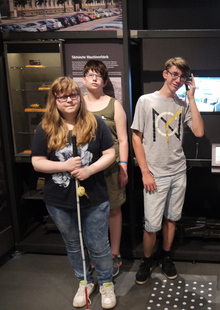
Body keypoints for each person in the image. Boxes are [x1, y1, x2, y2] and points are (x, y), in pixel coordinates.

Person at [31, 77, 117, 309]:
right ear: (55, 100)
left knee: (98, 244)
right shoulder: (45, 128)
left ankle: (106, 283)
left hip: (95, 197)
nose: (69, 100)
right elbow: (37, 162)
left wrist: (89, 170)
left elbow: (110, 153)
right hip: (59, 201)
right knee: (73, 244)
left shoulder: (96, 122)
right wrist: (64, 166)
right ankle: (85, 281)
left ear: (79, 97)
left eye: (73, 95)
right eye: (62, 96)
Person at [131, 57, 204, 285]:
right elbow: (136, 137)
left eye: (182, 77)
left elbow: (199, 132)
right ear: (165, 74)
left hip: (178, 172)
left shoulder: (182, 104)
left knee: (171, 220)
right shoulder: (146, 101)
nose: (178, 80)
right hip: (155, 174)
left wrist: (191, 97)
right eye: (174, 74)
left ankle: (166, 258)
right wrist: (145, 172)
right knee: (151, 225)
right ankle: (147, 261)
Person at [82, 60, 129, 277]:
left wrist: (124, 166)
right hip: (86, 167)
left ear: (104, 81)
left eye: (98, 75)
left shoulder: (114, 105)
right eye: (90, 74)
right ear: (83, 79)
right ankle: (94, 254)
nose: (93, 78)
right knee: (90, 212)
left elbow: (123, 139)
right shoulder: (78, 105)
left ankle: (115, 254)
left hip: (111, 167)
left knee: (114, 209)